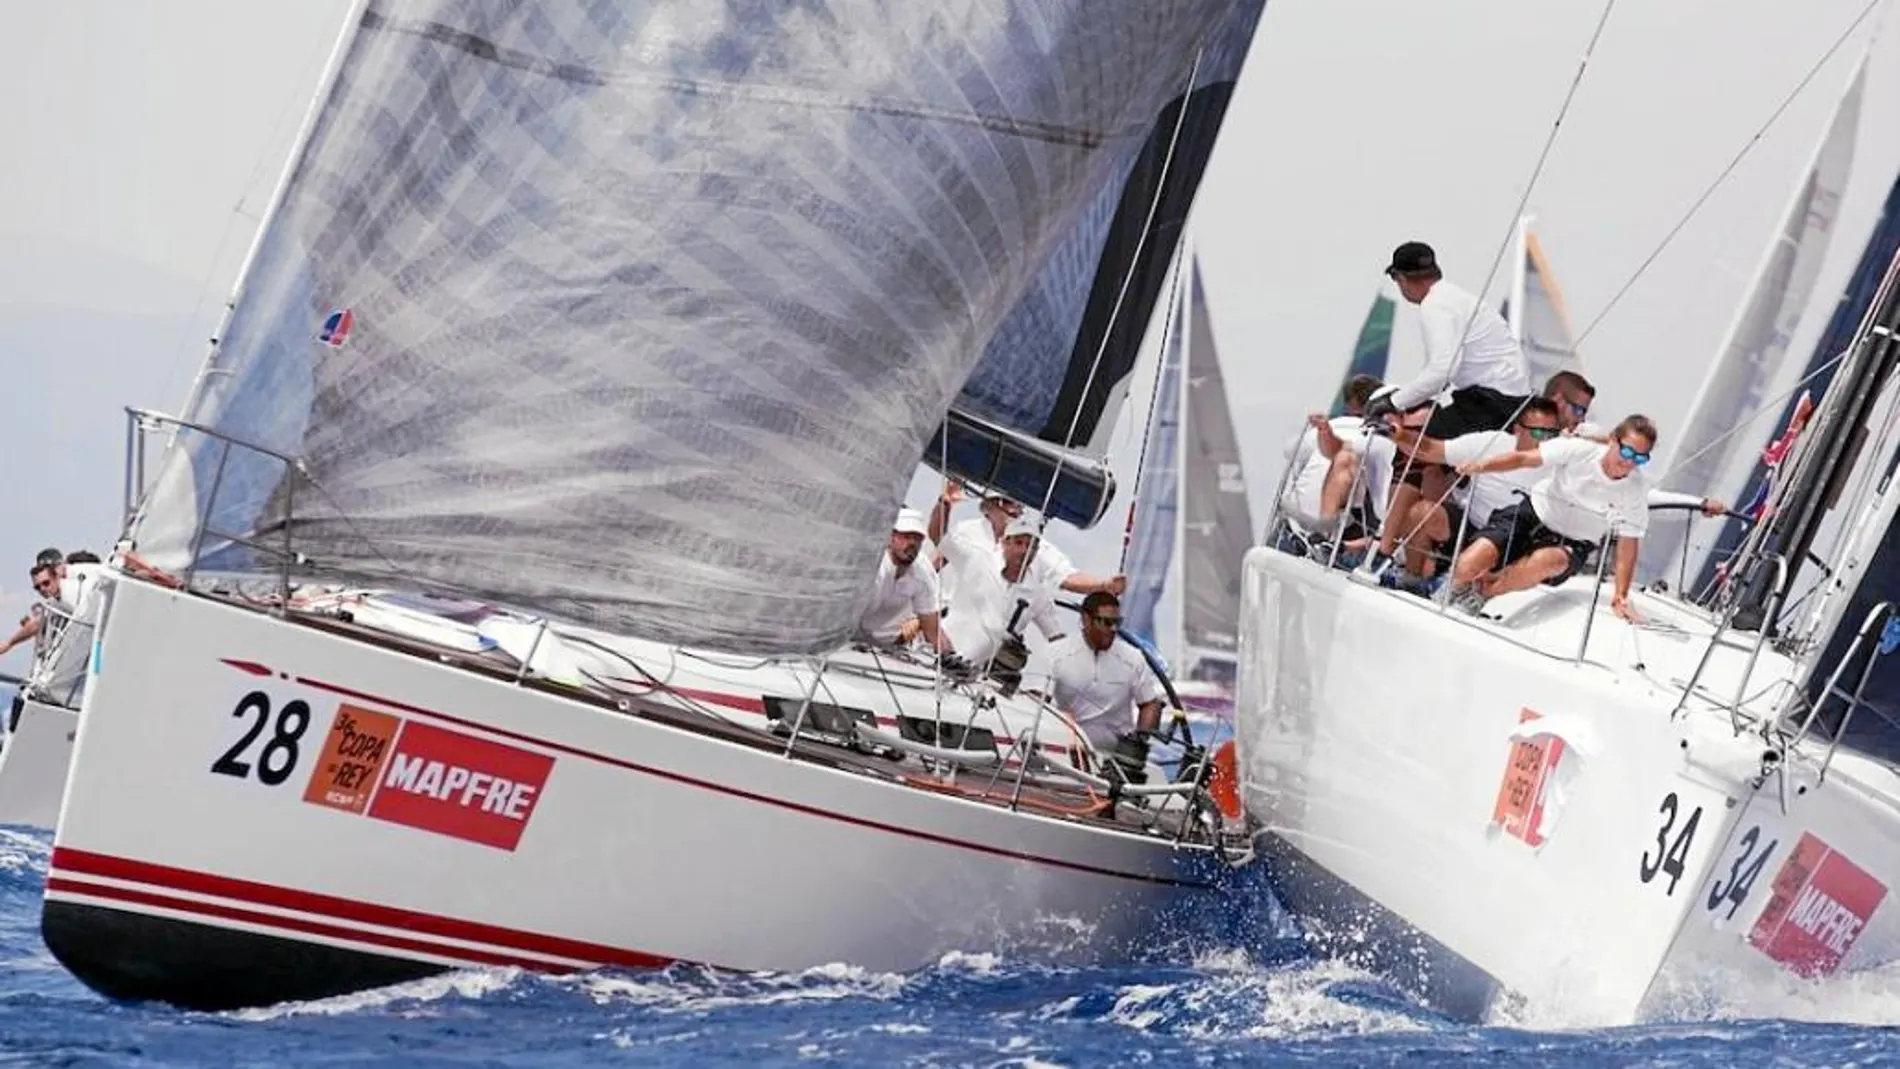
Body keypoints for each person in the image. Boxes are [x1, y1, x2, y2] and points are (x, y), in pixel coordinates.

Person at [1447, 414, 1660, 621]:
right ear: (1613, 439)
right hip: (1533, 514)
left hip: (1574, 542)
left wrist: (1620, 596)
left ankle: (1481, 596)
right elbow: (1524, 458)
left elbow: (1629, 542)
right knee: (1467, 565)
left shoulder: (1635, 489)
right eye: (1628, 452)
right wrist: (1482, 466)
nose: (1630, 462)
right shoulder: (1580, 451)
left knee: (1547, 560)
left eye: (1640, 458)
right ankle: (1449, 592)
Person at [1383, 396, 1565, 579]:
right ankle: (1411, 579)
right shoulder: (1492, 442)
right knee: (1421, 512)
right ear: (1518, 430)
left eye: (1551, 435)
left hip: (1512, 544)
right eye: (1538, 434)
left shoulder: (1560, 463)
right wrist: (1398, 434)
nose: (1545, 442)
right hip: (1470, 527)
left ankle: (1463, 587)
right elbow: (1431, 448)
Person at [1364, 242, 1532, 437]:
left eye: (1395, 278)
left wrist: (1392, 402)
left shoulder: (1435, 305)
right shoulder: (1454, 298)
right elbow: (1441, 379)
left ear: (1402, 278)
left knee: (1415, 443)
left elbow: (1442, 372)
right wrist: (1405, 399)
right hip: (1513, 400)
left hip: (1492, 404)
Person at [927, 483, 1125, 599]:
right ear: (987, 507)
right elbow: (934, 556)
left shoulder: (1038, 547)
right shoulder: (967, 530)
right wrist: (944, 503)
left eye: (1019, 503)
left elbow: (1067, 577)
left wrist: (1104, 585)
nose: (1014, 509)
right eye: (1007, 502)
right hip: (953, 620)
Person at [1038, 591, 1165, 752]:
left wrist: (1139, 742)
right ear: (1086, 620)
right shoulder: (1054, 654)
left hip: (1117, 754)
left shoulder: (1133, 658)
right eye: (1106, 622)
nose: (1113, 629)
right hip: (1068, 751)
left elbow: (1149, 704)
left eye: (1117, 622)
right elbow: (1037, 704)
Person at [1279, 378, 1398, 547]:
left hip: (1294, 526)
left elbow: (1289, 451)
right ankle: (1324, 537)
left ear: (1349, 404)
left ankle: (1321, 535)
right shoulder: (1384, 441)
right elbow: (1384, 503)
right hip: (1342, 536)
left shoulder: (1322, 431)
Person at [938, 516, 1065, 665]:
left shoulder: (1038, 594)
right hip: (938, 652)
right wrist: (944, 503)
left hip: (977, 674)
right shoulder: (977, 560)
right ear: (1005, 543)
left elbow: (1056, 637)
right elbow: (939, 538)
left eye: (1032, 546)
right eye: (1019, 543)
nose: (1025, 551)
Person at [856, 508, 950, 651]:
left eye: (917, 538)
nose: (912, 543)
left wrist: (951, 658)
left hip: (888, 646)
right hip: (846, 641)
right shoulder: (870, 561)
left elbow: (933, 630)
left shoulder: (923, 572)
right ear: (891, 536)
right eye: (906, 536)